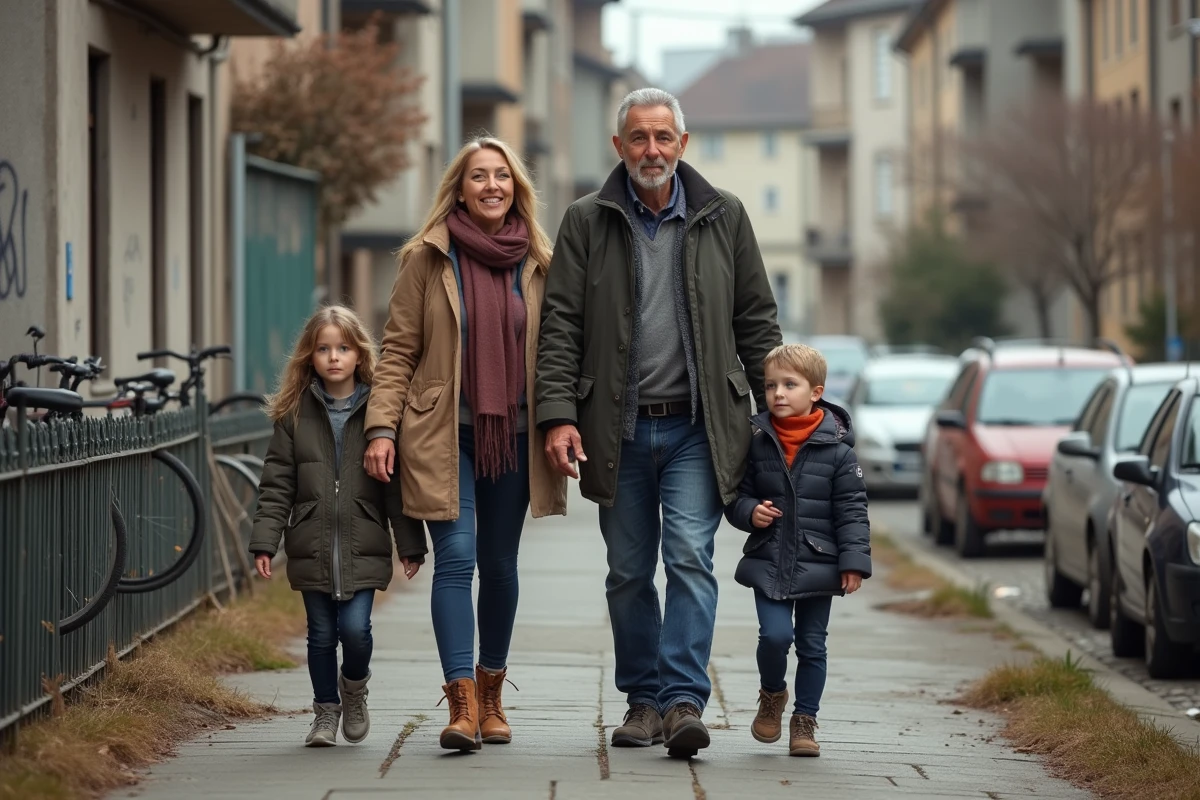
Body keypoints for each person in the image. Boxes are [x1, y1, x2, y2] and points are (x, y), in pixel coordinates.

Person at [536, 87, 782, 758]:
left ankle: (681, 701)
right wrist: (557, 415)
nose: (652, 149)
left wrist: (779, 414)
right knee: (627, 570)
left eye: (663, 137)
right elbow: (560, 325)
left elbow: (756, 322)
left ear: (682, 143)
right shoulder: (587, 221)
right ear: (619, 147)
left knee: (690, 559)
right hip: (615, 428)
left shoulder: (723, 217)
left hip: (699, 430)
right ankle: (641, 701)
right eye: (638, 138)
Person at [363, 137, 567, 752]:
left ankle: (493, 695)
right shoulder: (426, 259)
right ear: (459, 188)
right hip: (442, 434)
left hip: (514, 435)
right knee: (455, 559)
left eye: (501, 176)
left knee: (500, 566)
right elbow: (397, 351)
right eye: (478, 176)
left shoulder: (539, 260)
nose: (491, 186)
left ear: (516, 188)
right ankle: (461, 705)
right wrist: (380, 427)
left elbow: (560, 350)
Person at [249, 305, 428, 748]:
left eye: (343, 348)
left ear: (358, 354)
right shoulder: (293, 415)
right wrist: (265, 542)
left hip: (362, 540)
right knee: (321, 635)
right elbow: (276, 484)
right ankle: (326, 711)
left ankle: (355, 687)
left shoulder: (379, 413)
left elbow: (395, 487)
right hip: (310, 540)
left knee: (355, 629)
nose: (333, 357)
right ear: (309, 355)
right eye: (324, 348)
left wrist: (409, 543)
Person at [724, 343, 871, 757]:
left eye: (790, 384)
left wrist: (854, 562)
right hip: (768, 558)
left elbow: (852, 510)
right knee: (774, 636)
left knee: (812, 644)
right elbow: (736, 495)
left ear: (816, 392)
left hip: (819, 562)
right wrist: (749, 511)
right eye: (771, 385)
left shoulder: (839, 452)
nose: (778, 394)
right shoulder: (756, 441)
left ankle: (805, 719)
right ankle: (772, 693)